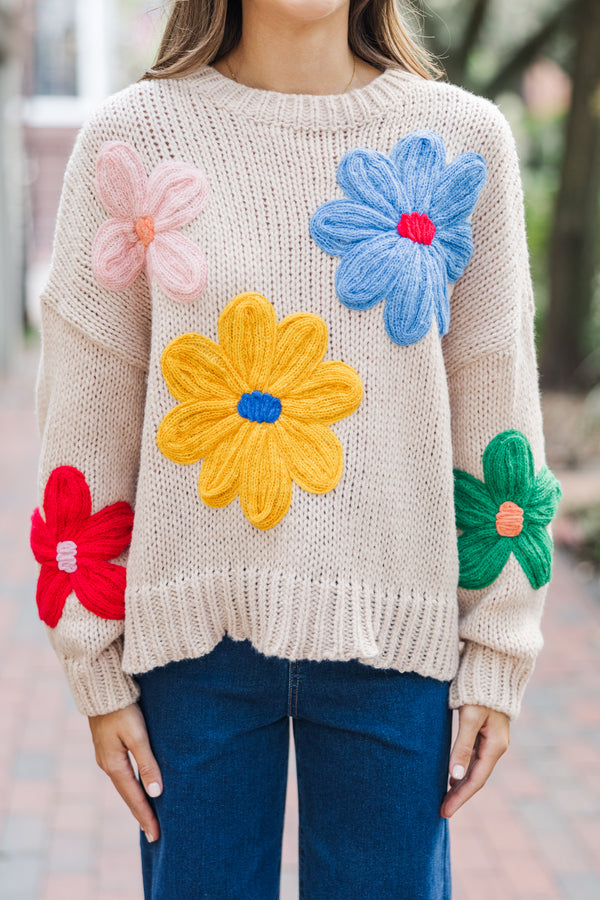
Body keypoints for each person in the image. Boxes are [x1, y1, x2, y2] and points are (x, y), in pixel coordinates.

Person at [29, 1, 563, 897]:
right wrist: (93, 661)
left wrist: (500, 646)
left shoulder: (463, 143)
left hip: (398, 648)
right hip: (188, 648)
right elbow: (90, 410)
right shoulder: (134, 141)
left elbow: (495, 399)